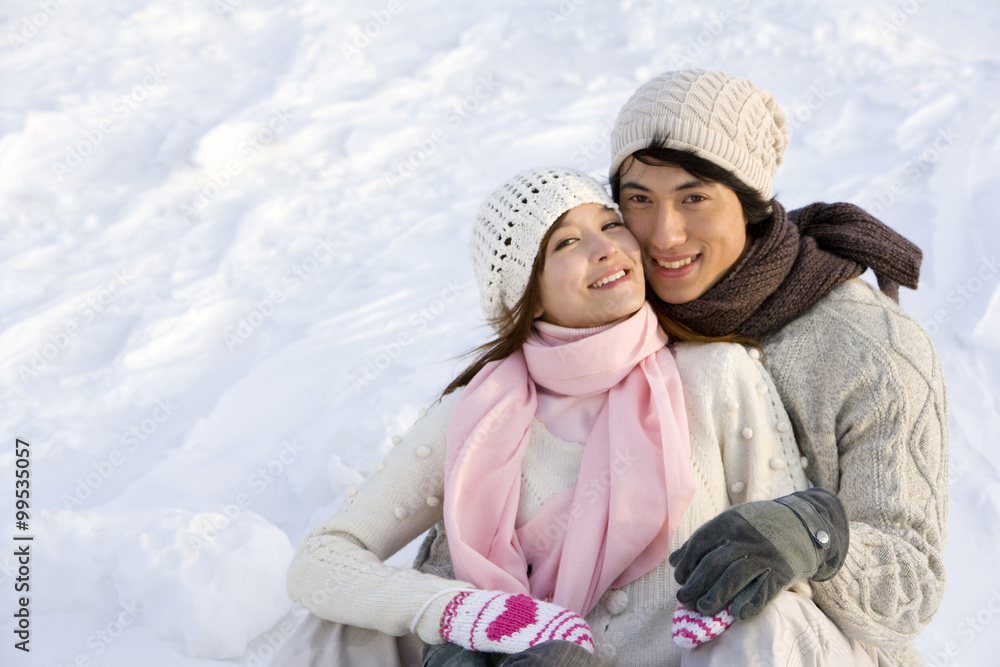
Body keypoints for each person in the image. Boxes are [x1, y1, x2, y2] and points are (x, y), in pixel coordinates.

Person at [281, 166, 843, 666]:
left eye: (610, 223)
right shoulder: (475, 414)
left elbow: (780, 567)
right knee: (336, 632)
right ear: (530, 294)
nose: (606, 248)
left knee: (776, 621)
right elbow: (321, 560)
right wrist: (464, 613)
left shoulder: (717, 373)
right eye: (567, 242)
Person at [607, 69, 949, 666]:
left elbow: (911, 585)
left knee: (756, 623)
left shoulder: (869, 345)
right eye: (640, 199)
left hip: (805, 646)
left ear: (749, 204)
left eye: (694, 197)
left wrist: (814, 535)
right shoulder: (609, 311)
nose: (664, 233)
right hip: (632, 639)